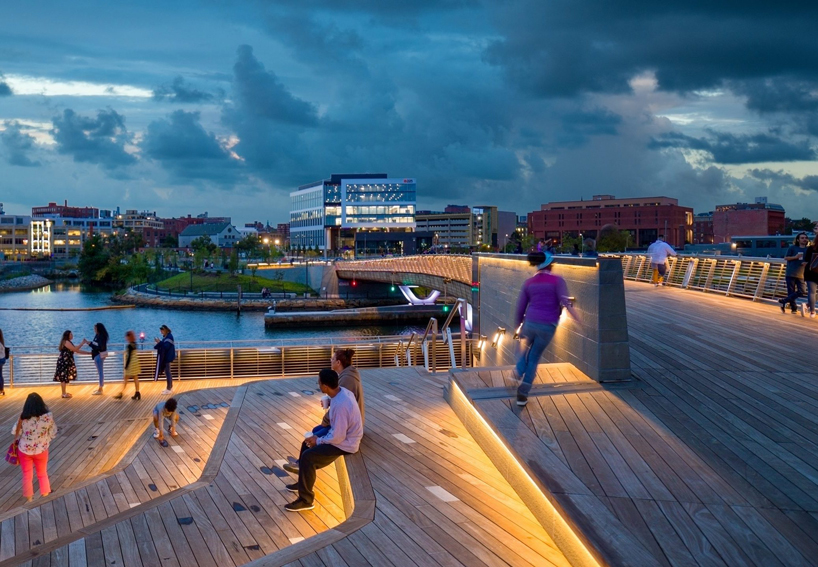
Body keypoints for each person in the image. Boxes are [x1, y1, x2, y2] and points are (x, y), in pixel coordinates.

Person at [283, 368, 363, 512]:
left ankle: (306, 500)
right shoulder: (343, 392)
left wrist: (318, 441)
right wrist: (329, 401)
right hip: (341, 433)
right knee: (307, 443)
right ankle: (302, 483)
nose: (318, 384)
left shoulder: (341, 406)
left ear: (325, 386)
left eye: (319, 382)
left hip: (346, 443)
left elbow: (338, 437)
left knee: (308, 457)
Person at [513, 251, 578, 407]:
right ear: (550, 265)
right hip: (548, 325)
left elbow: (521, 307)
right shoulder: (557, 281)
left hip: (530, 322)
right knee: (534, 357)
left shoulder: (528, 283)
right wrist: (577, 318)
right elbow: (565, 301)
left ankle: (519, 368)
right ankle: (522, 394)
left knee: (523, 349)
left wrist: (518, 325)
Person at [286, 348, 365, 472]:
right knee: (314, 433)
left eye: (332, 359)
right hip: (346, 426)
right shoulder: (346, 376)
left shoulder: (346, 380)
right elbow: (337, 397)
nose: (330, 360)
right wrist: (328, 400)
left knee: (313, 439)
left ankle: (304, 465)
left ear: (338, 362)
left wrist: (323, 426)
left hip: (348, 434)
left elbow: (339, 431)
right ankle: (301, 464)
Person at [13, 393, 56, 502]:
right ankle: (45, 496)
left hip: (24, 450)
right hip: (41, 449)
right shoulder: (48, 416)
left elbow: (14, 431)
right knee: (42, 473)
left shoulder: (23, 417)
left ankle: (29, 499)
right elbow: (53, 432)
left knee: (27, 475)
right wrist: (45, 439)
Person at [779, 232, 809, 314]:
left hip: (802, 274)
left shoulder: (808, 249)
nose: (804, 239)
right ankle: (794, 308)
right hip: (791, 273)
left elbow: (811, 259)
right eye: (802, 238)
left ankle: (784, 301)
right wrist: (795, 257)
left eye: (805, 238)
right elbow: (786, 258)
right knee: (791, 291)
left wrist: (807, 263)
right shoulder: (792, 248)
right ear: (798, 240)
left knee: (802, 291)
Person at [54, 331, 85, 398]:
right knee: (63, 377)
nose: (72, 335)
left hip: (66, 361)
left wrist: (88, 353)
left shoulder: (68, 342)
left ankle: (64, 392)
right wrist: (82, 343)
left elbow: (76, 350)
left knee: (64, 377)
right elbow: (75, 349)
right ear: (67, 335)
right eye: (71, 334)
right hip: (64, 362)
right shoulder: (66, 342)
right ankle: (63, 393)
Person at [115, 330, 141, 400]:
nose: (126, 338)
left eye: (127, 337)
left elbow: (129, 357)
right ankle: (137, 392)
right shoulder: (135, 344)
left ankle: (121, 393)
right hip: (135, 362)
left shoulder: (129, 346)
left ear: (129, 337)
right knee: (135, 377)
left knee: (126, 378)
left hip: (131, 363)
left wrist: (126, 366)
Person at [87, 323, 109, 395]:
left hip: (99, 355)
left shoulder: (101, 336)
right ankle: (100, 387)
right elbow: (96, 344)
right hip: (97, 355)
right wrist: (90, 343)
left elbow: (99, 347)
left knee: (100, 372)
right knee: (100, 371)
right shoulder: (98, 335)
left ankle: (100, 388)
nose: (94, 330)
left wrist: (90, 344)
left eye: (95, 328)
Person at [153, 325, 176, 395]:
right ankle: (169, 387)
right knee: (167, 372)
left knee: (167, 372)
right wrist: (159, 342)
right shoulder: (166, 337)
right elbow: (164, 345)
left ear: (165, 330)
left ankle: (169, 388)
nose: (161, 332)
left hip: (167, 357)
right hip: (166, 357)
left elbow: (166, 347)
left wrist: (159, 342)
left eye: (161, 331)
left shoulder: (169, 337)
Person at [804, 235, 818, 319]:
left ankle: (812, 312)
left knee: (811, 292)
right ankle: (808, 305)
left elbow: (806, 260)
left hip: (811, 272)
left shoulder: (811, 248)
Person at [0, 328, 6, 396]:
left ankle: (1, 390)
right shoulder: (2, 342)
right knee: (0, 375)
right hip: (2, 359)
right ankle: (2, 390)